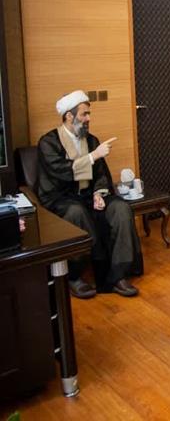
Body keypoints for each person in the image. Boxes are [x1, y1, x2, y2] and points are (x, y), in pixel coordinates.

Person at [37, 90, 142, 298]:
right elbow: (62, 171)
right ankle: (74, 276)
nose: (88, 118)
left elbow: (101, 174)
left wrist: (98, 193)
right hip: (60, 197)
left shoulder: (91, 140)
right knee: (76, 212)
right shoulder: (48, 142)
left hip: (87, 195)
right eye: (84, 114)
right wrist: (93, 156)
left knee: (120, 208)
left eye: (88, 114)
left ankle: (118, 275)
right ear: (69, 116)